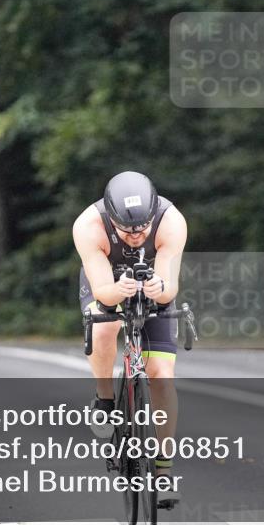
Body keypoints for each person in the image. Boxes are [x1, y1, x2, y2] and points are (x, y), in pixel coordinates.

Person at [72, 171, 187, 506]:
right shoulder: (88, 225)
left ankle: (164, 470)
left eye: (143, 229)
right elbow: (103, 292)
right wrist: (117, 291)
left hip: (152, 285)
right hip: (107, 281)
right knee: (104, 324)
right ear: (111, 218)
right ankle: (105, 397)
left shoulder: (171, 221)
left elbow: (170, 287)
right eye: (127, 231)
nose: (136, 237)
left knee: (162, 377)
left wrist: (160, 290)